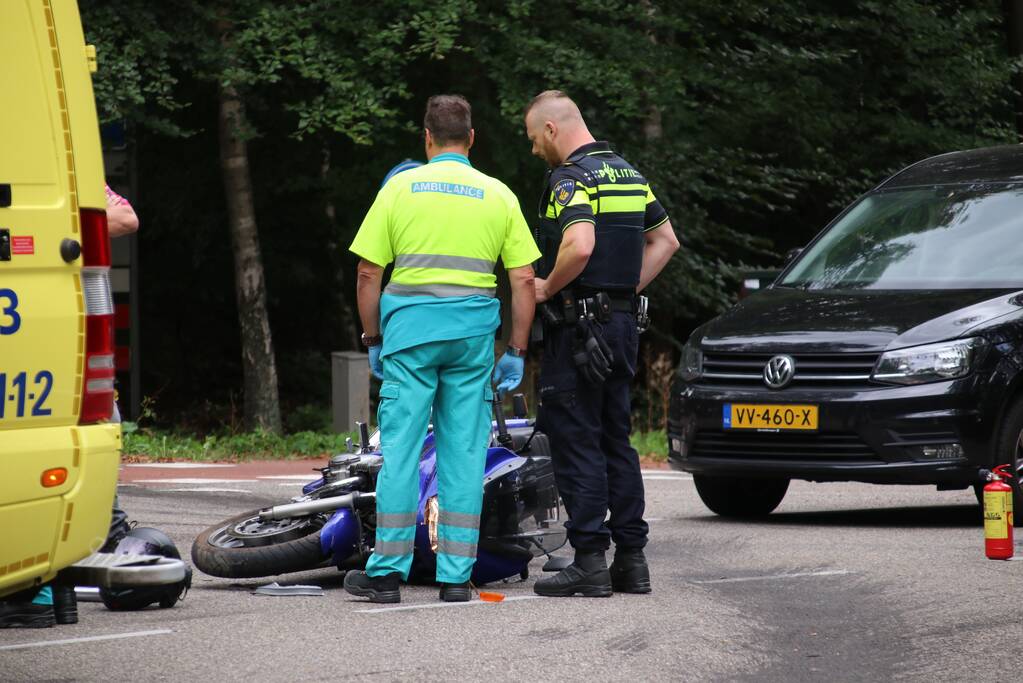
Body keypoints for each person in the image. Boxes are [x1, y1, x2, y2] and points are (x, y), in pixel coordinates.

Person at [343, 95, 540, 604]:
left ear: (426, 137)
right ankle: (455, 577)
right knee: (463, 453)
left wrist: (372, 338)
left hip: (408, 339)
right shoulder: (497, 194)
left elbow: (368, 273)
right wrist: (516, 347)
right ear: (471, 139)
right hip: (472, 342)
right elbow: (521, 279)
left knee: (402, 451)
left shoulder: (399, 189)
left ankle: (386, 574)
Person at [523, 90, 679, 597]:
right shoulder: (629, 174)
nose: (533, 152)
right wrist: (626, 290)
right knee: (617, 438)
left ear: (551, 130)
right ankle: (631, 561)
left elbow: (580, 242)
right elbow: (666, 240)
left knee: (576, 439)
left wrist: (549, 286)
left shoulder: (570, 177)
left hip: (579, 330)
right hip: (621, 326)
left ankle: (589, 560)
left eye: (532, 139)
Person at [0, 184, 141, 628]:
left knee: (88, 419)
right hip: (42, 314)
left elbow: (126, 218)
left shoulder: (68, 179)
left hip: (56, 315)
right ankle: (55, 582)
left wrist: (47, 231)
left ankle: (44, 581)